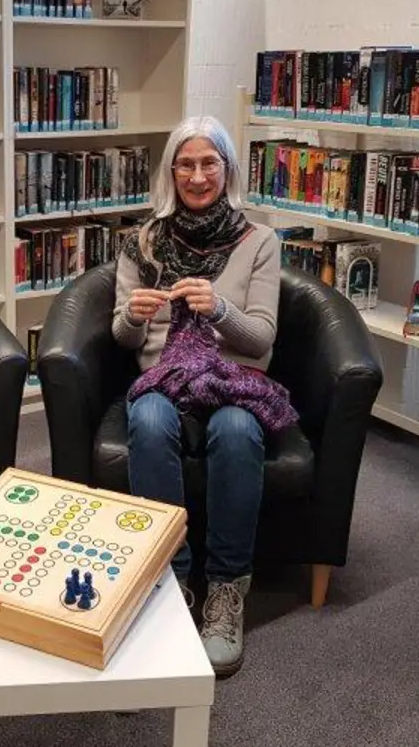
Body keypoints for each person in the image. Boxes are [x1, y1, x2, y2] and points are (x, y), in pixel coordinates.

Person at [112, 115, 291, 678]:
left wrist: (220, 309)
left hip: (232, 379)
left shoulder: (260, 241)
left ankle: (225, 590)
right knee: (148, 418)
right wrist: (132, 317)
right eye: (185, 164)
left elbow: (261, 338)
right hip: (162, 379)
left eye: (208, 162)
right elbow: (123, 339)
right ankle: (171, 581)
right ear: (171, 172)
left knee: (237, 431)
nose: (196, 176)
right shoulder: (140, 241)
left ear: (228, 168)